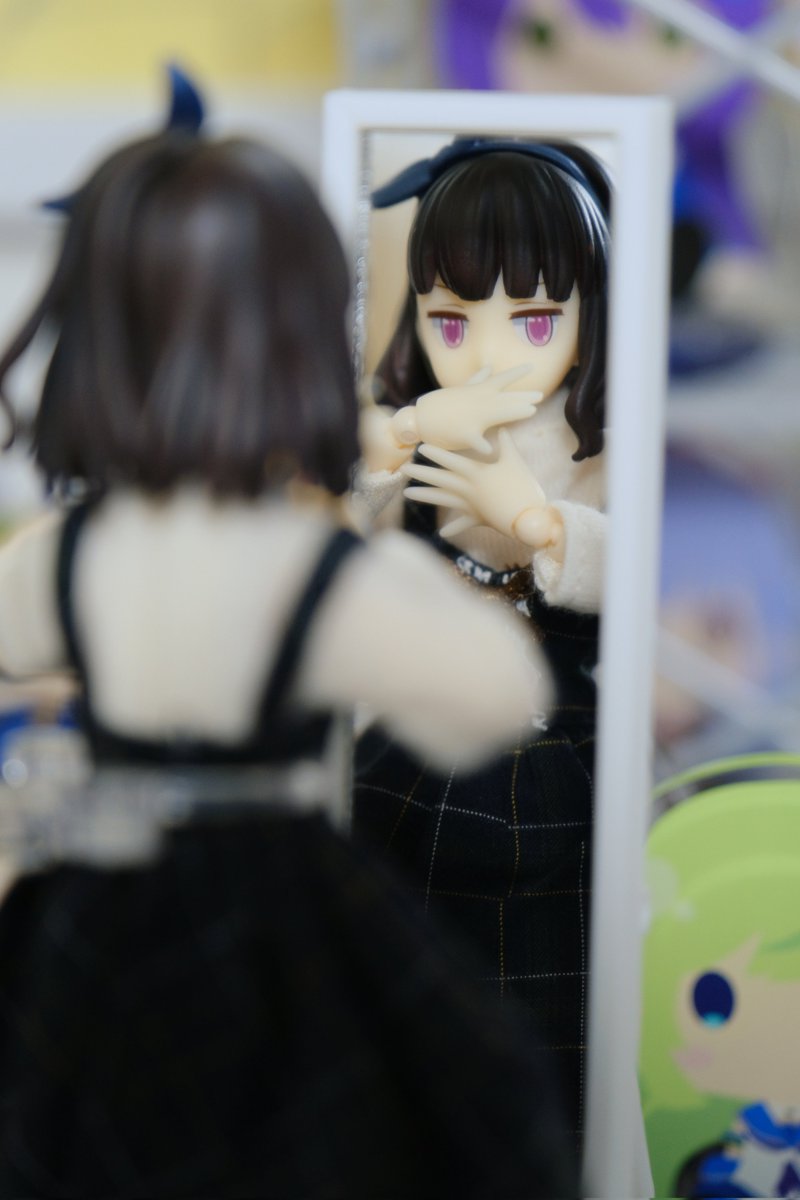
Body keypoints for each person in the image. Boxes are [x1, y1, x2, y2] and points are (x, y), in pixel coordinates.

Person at [0, 83, 575, 1196]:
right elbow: (496, 701)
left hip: (92, 930)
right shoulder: (313, 570)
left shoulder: (58, 557)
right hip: (278, 930)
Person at [352, 137, 610, 1149]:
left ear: (590, 319)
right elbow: (331, 516)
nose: (490, 350)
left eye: (535, 319)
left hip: (554, 739)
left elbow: (628, 565)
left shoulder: (600, 447)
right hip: (418, 732)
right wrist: (409, 430)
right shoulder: (419, 425)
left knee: (546, 979)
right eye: (451, 321)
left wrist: (536, 523)